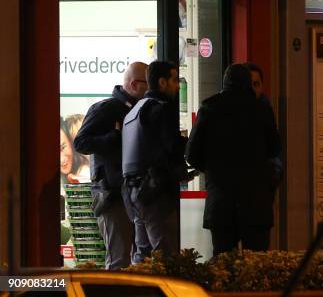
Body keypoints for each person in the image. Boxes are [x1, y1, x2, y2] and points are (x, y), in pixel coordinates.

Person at [186, 64, 281, 255]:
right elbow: (275, 150)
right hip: (256, 203)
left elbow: (191, 155)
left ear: (225, 82)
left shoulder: (209, 108)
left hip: (221, 202)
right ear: (248, 83)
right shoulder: (261, 110)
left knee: (223, 262)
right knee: (256, 264)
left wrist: (212, 169)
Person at [73, 61, 149, 270]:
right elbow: (81, 142)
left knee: (135, 258)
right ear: (134, 84)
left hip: (133, 193)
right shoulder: (106, 108)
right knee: (119, 257)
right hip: (112, 194)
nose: (151, 88)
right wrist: (115, 137)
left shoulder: (139, 109)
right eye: (148, 83)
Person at [122, 60, 189, 261]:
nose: (178, 86)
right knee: (166, 253)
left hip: (134, 193)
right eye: (175, 80)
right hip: (156, 193)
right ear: (162, 82)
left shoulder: (135, 110)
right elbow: (171, 147)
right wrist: (186, 143)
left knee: (142, 254)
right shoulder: (162, 108)